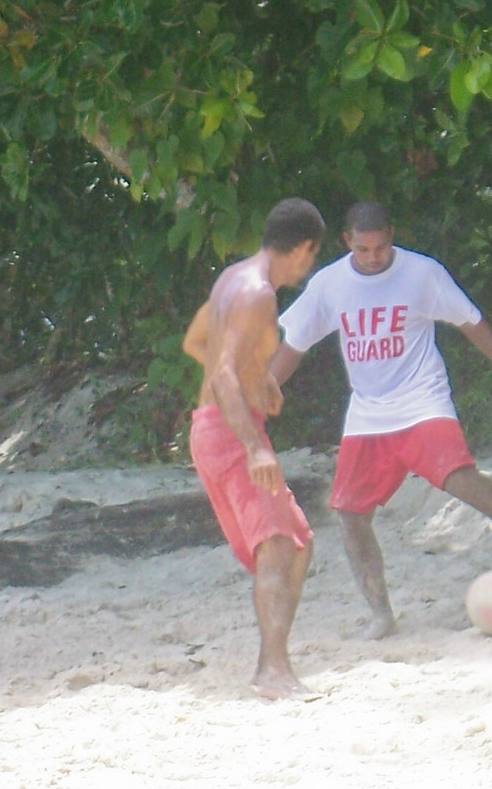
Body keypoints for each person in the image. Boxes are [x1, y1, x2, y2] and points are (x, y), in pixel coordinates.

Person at [268, 202, 492, 639]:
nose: (375, 256)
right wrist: (259, 395)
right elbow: (293, 347)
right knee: (350, 514)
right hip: (369, 413)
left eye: (382, 247)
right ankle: (381, 614)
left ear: (392, 235)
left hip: (421, 399)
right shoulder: (329, 284)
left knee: (459, 477)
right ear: (347, 243)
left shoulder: (421, 273)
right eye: (364, 249)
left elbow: (471, 321)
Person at [181, 197, 327, 700]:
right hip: (228, 433)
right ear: (304, 248)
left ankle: (271, 664)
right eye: (313, 255)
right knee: (278, 545)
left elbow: (197, 343)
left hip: (216, 427)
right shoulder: (258, 293)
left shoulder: (232, 280)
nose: (310, 265)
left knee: (298, 543)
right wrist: (254, 447)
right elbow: (220, 372)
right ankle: (273, 672)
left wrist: (258, 375)